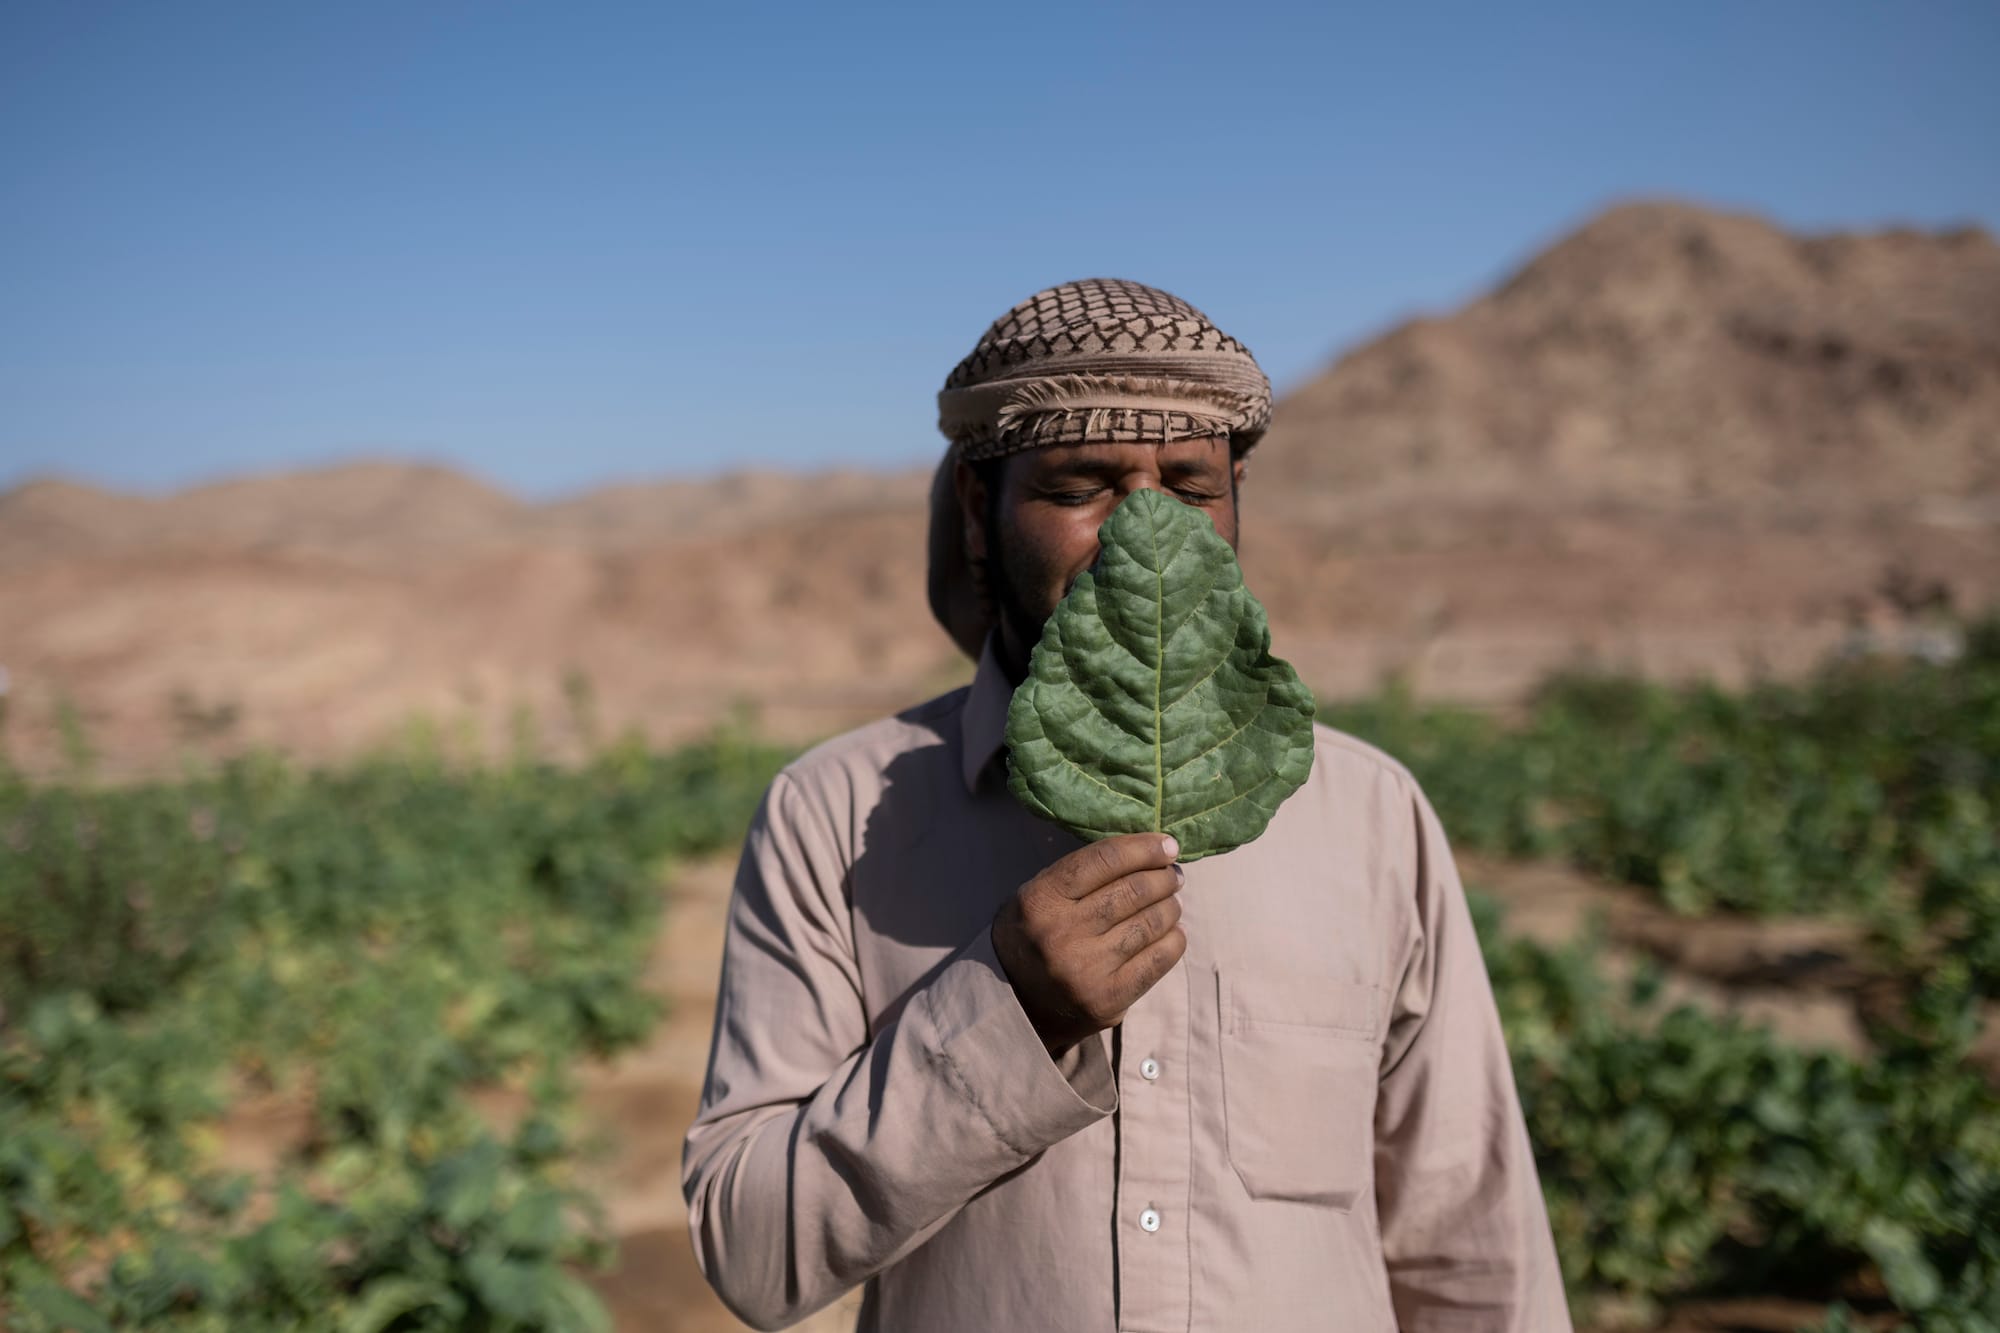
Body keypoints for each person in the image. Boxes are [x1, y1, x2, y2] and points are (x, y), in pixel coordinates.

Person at [682, 278, 1570, 1332]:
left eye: (1190, 488)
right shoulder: (831, 815)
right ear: (979, 510)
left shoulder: (1368, 816)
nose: (1146, 532)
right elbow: (750, 1252)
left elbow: (1470, 1250)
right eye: (1080, 486)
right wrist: (1006, 1008)